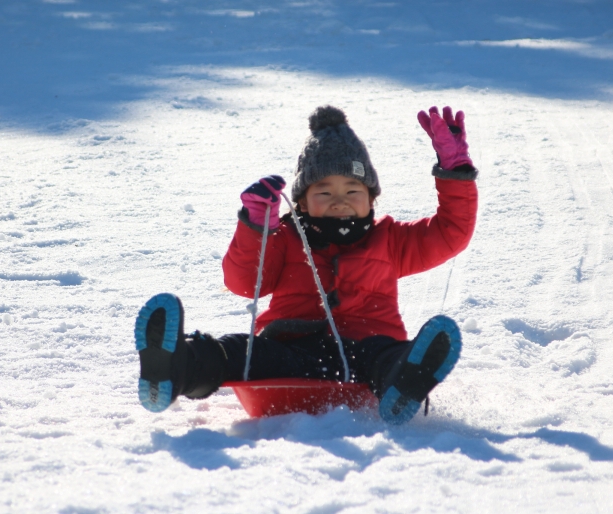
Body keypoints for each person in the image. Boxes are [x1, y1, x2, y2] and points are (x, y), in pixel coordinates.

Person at [135, 105, 479, 424]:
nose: (339, 202)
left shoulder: (389, 239)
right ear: (301, 202)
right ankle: (175, 368)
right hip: (291, 351)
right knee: (239, 350)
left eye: (353, 190)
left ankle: (404, 379)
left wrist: (455, 172)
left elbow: (451, 232)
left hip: (365, 356)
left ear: (372, 197)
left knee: (385, 354)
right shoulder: (285, 237)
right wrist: (257, 228)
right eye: (324, 192)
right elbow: (243, 281)